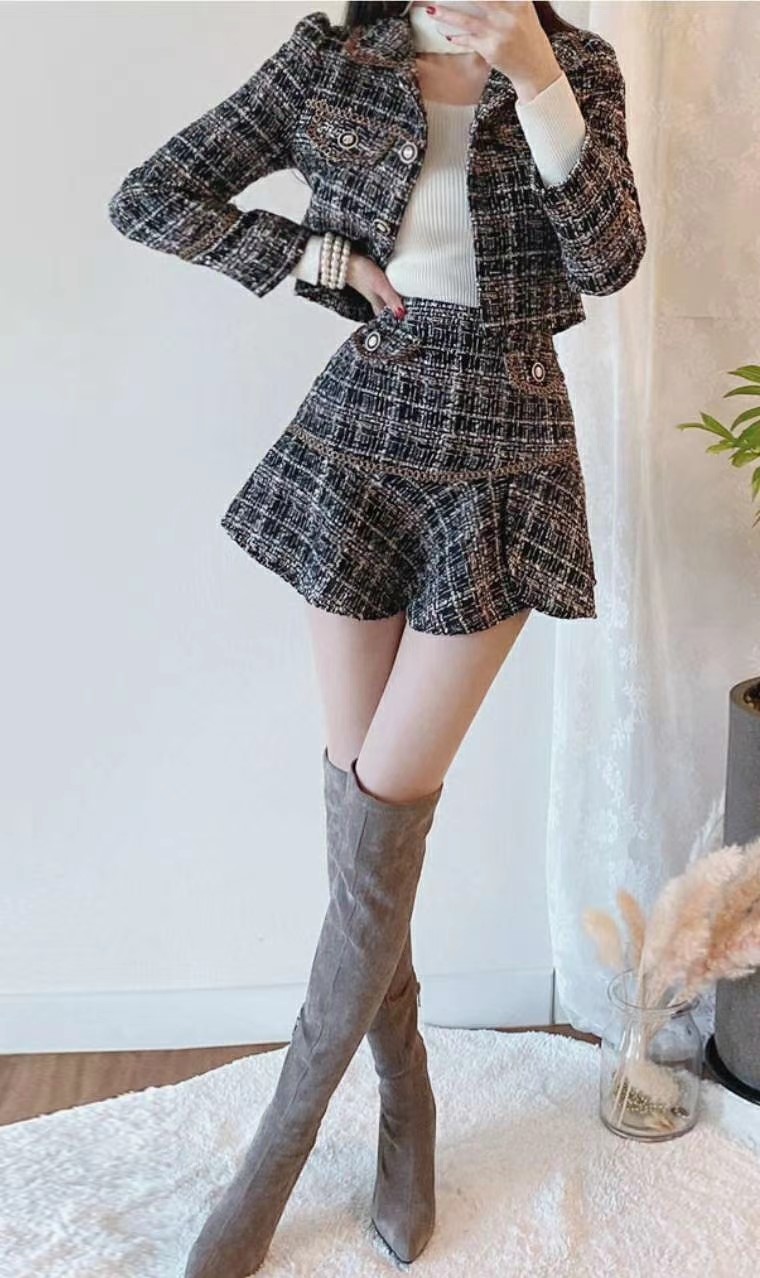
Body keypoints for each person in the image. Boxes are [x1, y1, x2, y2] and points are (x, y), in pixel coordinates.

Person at [107, 2, 646, 1274]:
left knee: (385, 795)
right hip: (361, 436)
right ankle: (407, 1102)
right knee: (364, 817)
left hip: (505, 453)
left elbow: (610, 259)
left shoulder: (579, 67)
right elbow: (151, 197)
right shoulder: (333, 55)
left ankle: (275, 1152)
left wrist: (535, 76)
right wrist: (319, 260)